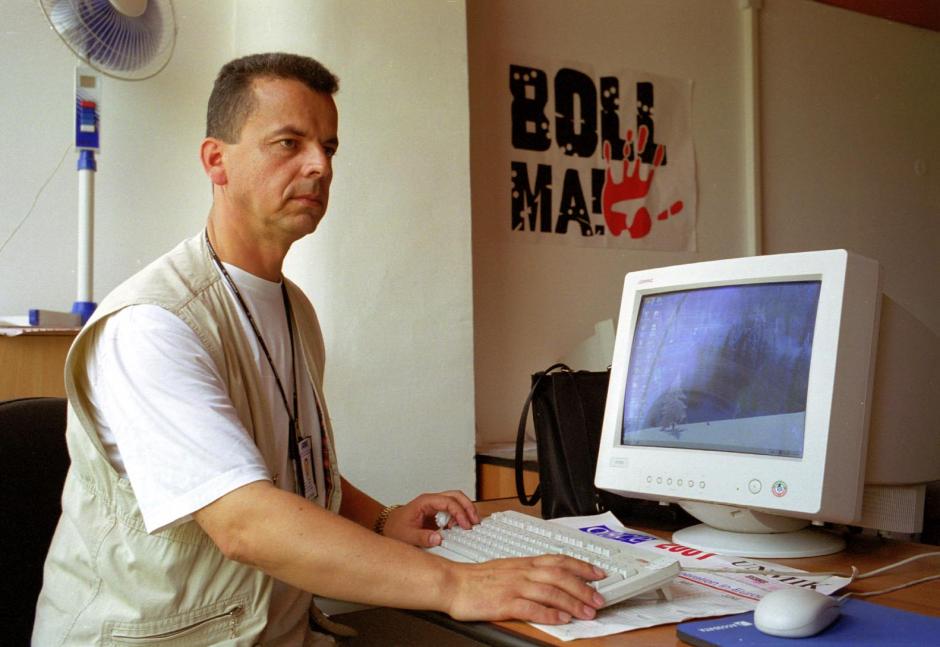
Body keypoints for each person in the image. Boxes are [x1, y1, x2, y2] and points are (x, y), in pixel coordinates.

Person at [33, 53, 605, 645]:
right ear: (216, 160)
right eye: (289, 143)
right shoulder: (153, 325)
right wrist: (458, 584)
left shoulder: (294, 308)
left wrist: (382, 518)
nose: (319, 166)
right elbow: (245, 522)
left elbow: (292, 465)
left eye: (328, 148)